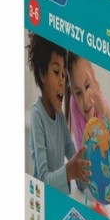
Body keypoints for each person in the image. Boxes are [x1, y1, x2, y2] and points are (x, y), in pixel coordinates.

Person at [26, 32, 89, 193]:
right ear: (42, 74)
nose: (62, 81)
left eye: (63, 75)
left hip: (63, 198)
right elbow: (43, 179)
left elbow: (71, 152)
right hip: (42, 199)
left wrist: (84, 173)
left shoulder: (60, 117)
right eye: (56, 72)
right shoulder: (37, 115)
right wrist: (69, 172)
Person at [66, 52, 110, 150]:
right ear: (73, 92)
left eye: (87, 86)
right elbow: (80, 149)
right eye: (78, 93)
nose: (85, 100)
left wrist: (105, 112)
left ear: (93, 76)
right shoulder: (73, 103)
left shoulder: (101, 103)